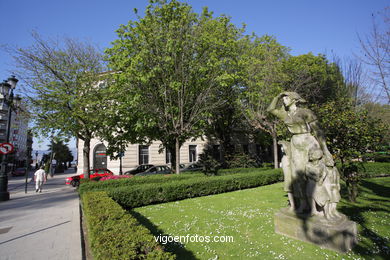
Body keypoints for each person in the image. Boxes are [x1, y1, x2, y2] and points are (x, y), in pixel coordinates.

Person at [267, 92, 341, 218]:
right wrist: (277, 96)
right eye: (283, 98)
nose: (284, 100)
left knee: (315, 175)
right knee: (298, 175)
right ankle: (303, 204)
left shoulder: (305, 112)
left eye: (286, 97)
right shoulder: (285, 114)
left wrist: (326, 150)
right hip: (295, 144)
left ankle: (321, 206)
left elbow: (318, 131)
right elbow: (271, 109)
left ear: (294, 100)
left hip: (308, 142)